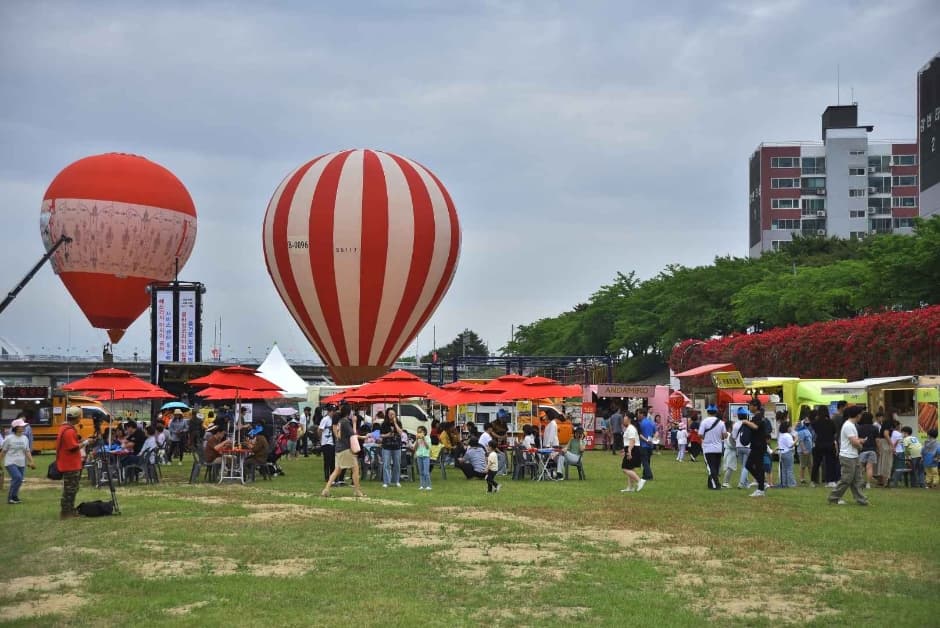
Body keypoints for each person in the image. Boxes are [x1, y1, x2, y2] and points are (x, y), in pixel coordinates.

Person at [321, 405, 364, 498]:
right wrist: (354, 423)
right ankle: (357, 490)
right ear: (349, 413)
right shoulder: (345, 422)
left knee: (337, 470)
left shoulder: (340, 421)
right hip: (345, 449)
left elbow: (340, 435)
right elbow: (353, 434)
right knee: (355, 469)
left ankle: (326, 489)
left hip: (339, 448)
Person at [828, 406, 868, 505]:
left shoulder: (851, 425)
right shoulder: (849, 425)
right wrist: (860, 445)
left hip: (853, 456)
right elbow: (854, 442)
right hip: (847, 456)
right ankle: (834, 497)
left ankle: (861, 500)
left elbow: (853, 440)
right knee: (846, 479)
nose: (861, 416)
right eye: (861, 414)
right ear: (858, 415)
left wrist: (860, 440)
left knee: (856, 479)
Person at [56, 406, 87, 519]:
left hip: (69, 463)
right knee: (70, 489)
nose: (80, 418)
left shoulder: (64, 428)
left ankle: (70, 510)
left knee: (72, 488)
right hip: (70, 464)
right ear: (76, 417)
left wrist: (79, 440)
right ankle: (66, 512)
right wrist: (86, 443)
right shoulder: (69, 431)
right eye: (79, 416)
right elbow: (72, 447)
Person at [1, 419, 36, 504]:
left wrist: (32, 462)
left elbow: (27, 451)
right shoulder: (9, 438)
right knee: (17, 477)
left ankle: (15, 497)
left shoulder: (25, 438)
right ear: (16, 428)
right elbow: (3, 452)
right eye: (22, 426)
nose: (24, 427)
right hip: (10, 462)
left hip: (21, 463)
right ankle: (10, 498)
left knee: (19, 480)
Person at [739, 400, 770, 497]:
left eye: (750, 405)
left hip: (759, 446)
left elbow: (755, 427)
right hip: (755, 445)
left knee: (758, 466)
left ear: (756, 406)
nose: (749, 407)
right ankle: (762, 483)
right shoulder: (756, 416)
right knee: (749, 465)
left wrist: (746, 422)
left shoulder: (759, 416)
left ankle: (761, 489)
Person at [811, 406, 838, 488]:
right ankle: (830, 481)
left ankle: (813, 481)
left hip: (819, 444)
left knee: (816, 463)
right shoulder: (831, 422)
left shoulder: (815, 422)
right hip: (829, 444)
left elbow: (814, 432)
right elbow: (834, 432)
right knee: (830, 463)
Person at [700, 406, 726, 490]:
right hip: (718, 448)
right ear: (716, 412)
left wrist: (705, 438)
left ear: (707, 412)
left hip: (707, 448)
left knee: (710, 468)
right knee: (715, 467)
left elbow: (700, 434)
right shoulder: (721, 422)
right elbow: (725, 435)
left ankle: (716, 485)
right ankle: (710, 484)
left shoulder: (704, 422)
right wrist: (719, 438)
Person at [620, 412, 645, 493]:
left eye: (625, 417)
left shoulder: (631, 428)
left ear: (629, 419)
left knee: (625, 468)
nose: (624, 419)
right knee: (630, 469)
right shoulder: (630, 428)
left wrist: (629, 451)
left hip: (633, 449)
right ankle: (630, 488)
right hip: (633, 448)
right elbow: (629, 441)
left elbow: (632, 441)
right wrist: (625, 449)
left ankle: (639, 481)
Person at [380, 409, 404, 487]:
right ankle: (386, 482)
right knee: (386, 464)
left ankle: (396, 481)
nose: (392, 415)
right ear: (387, 415)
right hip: (386, 446)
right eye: (390, 414)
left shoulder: (398, 423)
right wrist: (387, 435)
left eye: (393, 414)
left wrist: (395, 423)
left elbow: (400, 433)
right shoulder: (384, 424)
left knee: (397, 464)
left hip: (396, 446)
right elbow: (380, 435)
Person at [856, 412, 879, 489]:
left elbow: (857, 439)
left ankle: (860, 482)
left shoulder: (859, 428)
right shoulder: (875, 428)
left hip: (862, 450)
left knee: (861, 467)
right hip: (872, 449)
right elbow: (877, 440)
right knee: (869, 467)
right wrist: (878, 450)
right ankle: (868, 484)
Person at [732, 407, 752, 489]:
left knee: (743, 466)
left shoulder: (736, 424)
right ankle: (741, 483)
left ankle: (746, 483)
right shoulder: (749, 423)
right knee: (745, 466)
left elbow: (733, 436)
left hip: (738, 447)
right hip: (747, 447)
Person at [318, 405, 337, 483]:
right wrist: (321, 439)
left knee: (333, 461)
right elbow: (320, 430)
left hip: (332, 443)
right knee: (327, 461)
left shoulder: (334, 420)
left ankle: (332, 477)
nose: (334, 413)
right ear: (329, 411)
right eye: (333, 411)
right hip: (326, 443)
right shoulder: (325, 419)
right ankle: (327, 477)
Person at [776, 421, 796, 488]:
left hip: (781, 453)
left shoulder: (781, 435)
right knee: (789, 469)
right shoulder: (787, 435)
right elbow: (790, 445)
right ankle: (791, 484)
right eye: (789, 427)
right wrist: (796, 440)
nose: (790, 428)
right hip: (787, 453)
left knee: (783, 469)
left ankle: (784, 483)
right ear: (787, 428)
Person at [637, 408, 655, 481]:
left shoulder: (641, 424)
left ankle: (649, 475)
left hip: (643, 445)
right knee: (648, 460)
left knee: (644, 461)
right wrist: (652, 440)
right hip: (650, 445)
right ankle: (645, 476)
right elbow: (656, 432)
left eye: (638, 414)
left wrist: (646, 440)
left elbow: (640, 435)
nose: (637, 415)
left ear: (642, 414)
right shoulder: (651, 423)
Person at [796, 418, 815, 485]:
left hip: (809, 450)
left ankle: (812, 479)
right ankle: (802, 479)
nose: (808, 422)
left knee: (810, 465)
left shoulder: (807, 430)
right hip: (803, 451)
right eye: (806, 421)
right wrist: (804, 450)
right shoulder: (800, 431)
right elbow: (801, 441)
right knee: (803, 465)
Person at [415, 426, 432, 490]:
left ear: (424, 432)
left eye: (420, 432)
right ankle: (422, 485)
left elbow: (428, 447)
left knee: (426, 472)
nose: (419, 433)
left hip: (426, 456)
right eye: (418, 432)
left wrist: (423, 439)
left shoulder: (427, 438)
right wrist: (416, 440)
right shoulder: (418, 439)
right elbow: (415, 448)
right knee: (421, 472)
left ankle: (428, 485)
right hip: (419, 456)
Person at [721, 420, 737, 488]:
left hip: (728, 452)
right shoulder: (729, 435)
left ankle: (726, 482)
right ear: (730, 427)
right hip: (730, 452)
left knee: (729, 467)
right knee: (730, 467)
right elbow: (731, 445)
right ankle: (725, 483)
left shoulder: (727, 434)